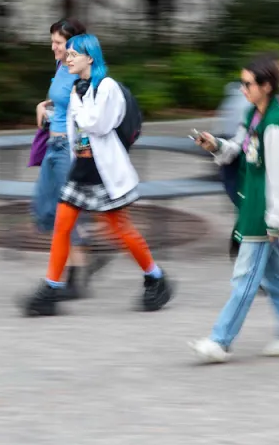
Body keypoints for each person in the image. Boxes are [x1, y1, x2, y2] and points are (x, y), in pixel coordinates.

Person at [19, 34, 171, 317]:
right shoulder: (82, 87)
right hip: (82, 168)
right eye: (69, 53)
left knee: (120, 230)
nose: (69, 57)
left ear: (91, 57)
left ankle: (156, 278)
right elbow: (79, 132)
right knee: (62, 226)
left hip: (104, 173)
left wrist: (76, 100)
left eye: (75, 53)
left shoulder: (106, 87)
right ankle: (50, 289)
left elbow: (97, 124)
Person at [189, 54, 279, 364]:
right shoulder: (254, 115)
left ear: (266, 86)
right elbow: (239, 147)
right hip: (253, 207)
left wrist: (278, 222)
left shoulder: (274, 125)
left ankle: (220, 341)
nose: (242, 88)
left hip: (264, 214)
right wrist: (215, 145)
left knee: (245, 278)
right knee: (274, 276)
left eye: (247, 84)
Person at [32, 18, 112, 299]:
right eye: (52, 41)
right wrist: (44, 105)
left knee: (66, 213)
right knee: (44, 209)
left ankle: (75, 277)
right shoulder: (61, 65)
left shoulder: (83, 73)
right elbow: (60, 100)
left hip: (69, 148)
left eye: (58, 43)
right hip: (53, 145)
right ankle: (90, 253)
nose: (53, 47)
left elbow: (89, 110)